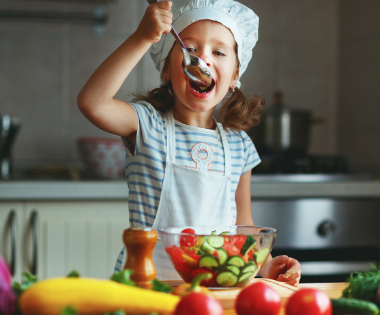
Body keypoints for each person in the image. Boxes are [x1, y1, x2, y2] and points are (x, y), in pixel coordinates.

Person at [77, 0, 301, 286]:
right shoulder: (146, 125)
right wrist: (142, 37)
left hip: (210, 291)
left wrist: (265, 265)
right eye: (190, 50)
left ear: (234, 76)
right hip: (145, 288)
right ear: (166, 70)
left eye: (218, 52)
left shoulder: (239, 145)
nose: (203, 59)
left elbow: (243, 226)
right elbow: (91, 103)